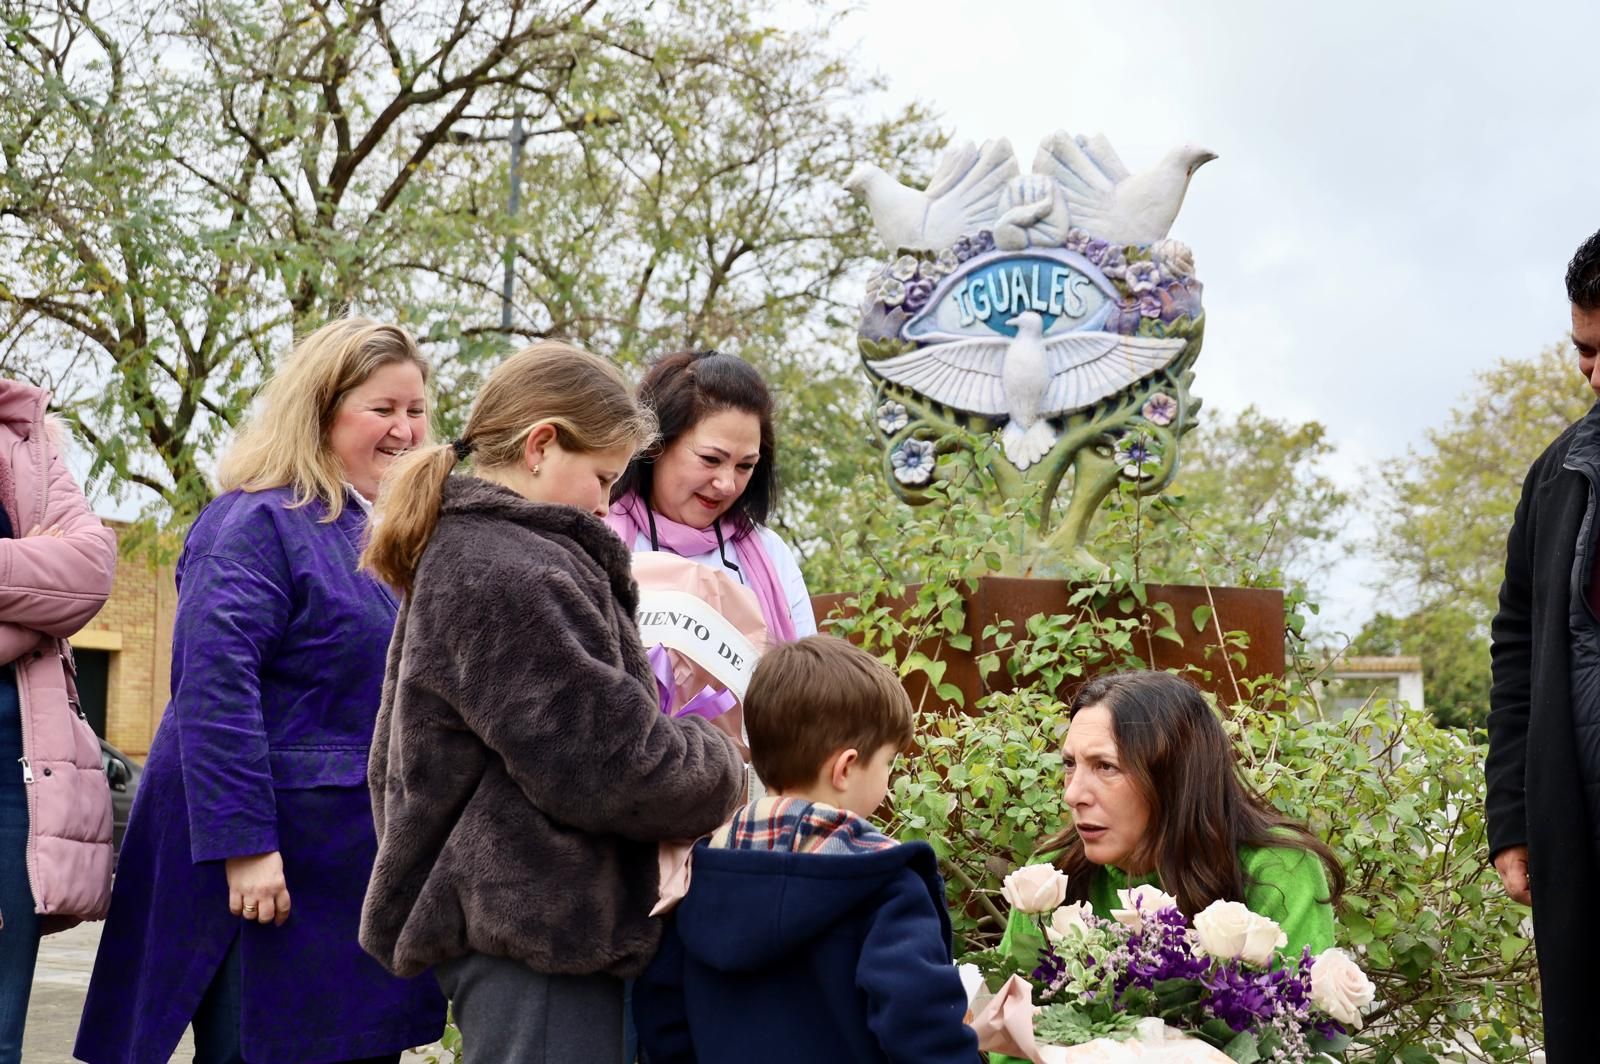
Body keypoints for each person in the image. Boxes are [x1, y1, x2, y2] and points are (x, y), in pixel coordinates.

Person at [357, 341, 746, 1063]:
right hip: (533, 930)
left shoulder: (488, 554)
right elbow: (609, 763)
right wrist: (724, 764)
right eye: (602, 476)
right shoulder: (505, 570)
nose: (605, 503)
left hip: (532, 929)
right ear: (540, 445)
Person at [76, 318, 447, 1064]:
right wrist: (246, 845)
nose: (406, 430)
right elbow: (215, 691)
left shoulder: (390, 537)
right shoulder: (256, 522)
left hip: (353, 869)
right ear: (319, 412)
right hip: (274, 872)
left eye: (415, 410)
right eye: (382, 408)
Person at [633, 634, 980, 1064]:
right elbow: (924, 1030)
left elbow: (663, 1017)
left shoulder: (696, 880)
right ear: (846, 767)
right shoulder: (885, 889)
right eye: (888, 762)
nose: (889, 778)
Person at [998, 671, 1343, 970]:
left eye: (1105, 766)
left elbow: (1298, 1015)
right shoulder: (1050, 878)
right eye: (1070, 764)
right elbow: (1007, 1017)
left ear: (1175, 778)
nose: (1073, 794)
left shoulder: (1278, 869)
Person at [1486, 226, 1600, 1061]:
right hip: (1579, 838)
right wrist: (1514, 821)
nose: (1595, 375)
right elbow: (1516, 651)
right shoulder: (1557, 475)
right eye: (1586, 352)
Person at [0, 378, 116, 1062]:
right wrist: (31, 585)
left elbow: (88, 572)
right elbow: (53, 586)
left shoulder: (29, 440)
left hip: (14, 785)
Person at [607, 349, 816, 641]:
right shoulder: (598, 538)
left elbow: (805, 664)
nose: (727, 485)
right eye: (711, 459)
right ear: (654, 445)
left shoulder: (771, 553)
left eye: (745, 466)